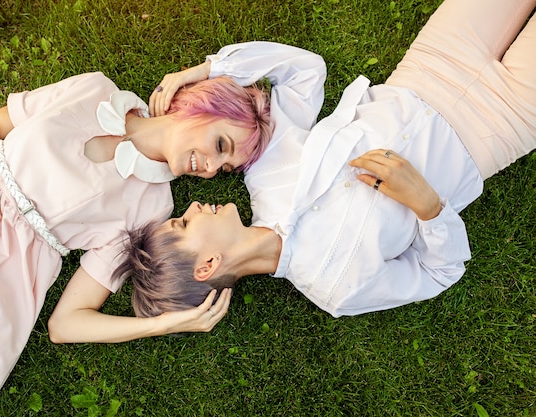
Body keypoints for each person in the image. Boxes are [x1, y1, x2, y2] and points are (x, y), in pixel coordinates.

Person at [116, 0, 536, 319]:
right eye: (184, 223)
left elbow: (303, 71)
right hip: (499, 126)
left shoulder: (264, 173)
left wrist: (210, 69)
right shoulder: (335, 288)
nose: (190, 206)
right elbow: (439, 272)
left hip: (432, 65)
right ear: (208, 265)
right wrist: (427, 206)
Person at [0, 70, 273, 416]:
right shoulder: (94, 89)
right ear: (199, 107)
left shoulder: (153, 208)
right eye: (220, 145)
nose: (210, 169)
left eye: (224, 168)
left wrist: (162, 325)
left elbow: (66, 324)